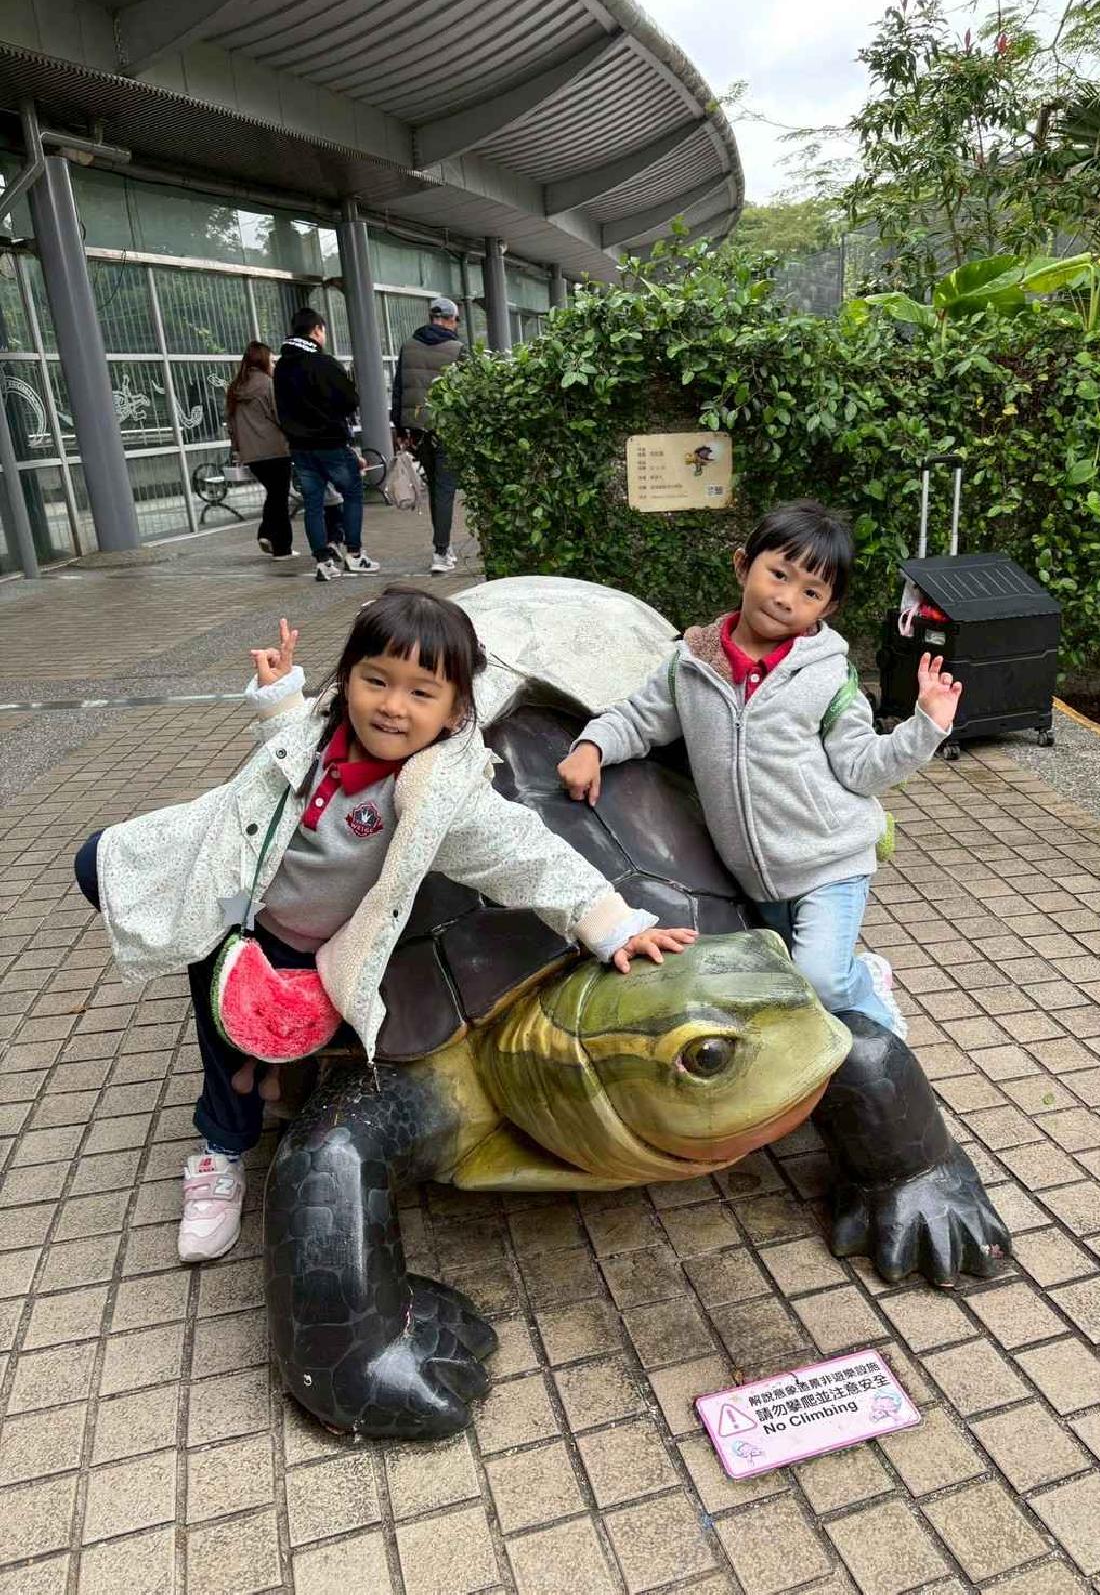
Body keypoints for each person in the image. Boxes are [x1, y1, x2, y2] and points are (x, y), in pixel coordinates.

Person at [73, 588, 695, 1263]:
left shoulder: (438, 796)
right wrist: (279, 697)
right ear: (347, 680)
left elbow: (527, 855)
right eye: (376, 681)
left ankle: (222, 1148)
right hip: (230, 896)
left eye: (420, 692)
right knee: (106, 871)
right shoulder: (320, 733)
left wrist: (613, 924)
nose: (393, 706)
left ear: (456, 710)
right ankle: (256, 1068)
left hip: (303, 941)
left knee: (246, 1035)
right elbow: (283, 753)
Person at [557, 500, 963, 1041]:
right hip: (754, 877)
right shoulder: (691, 665)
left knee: (820, 979)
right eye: (779, 574)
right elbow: (639, 718)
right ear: (743, 565)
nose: (787, 598)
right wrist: (593, 746)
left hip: (830, 862)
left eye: (811, 593)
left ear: (828, 607)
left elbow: (863, 767)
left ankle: (871, 995)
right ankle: (844, 984)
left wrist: (925, 727)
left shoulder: (828, 677)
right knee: (786, 976)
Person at [274, 306, 379, 583]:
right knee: (353, 491)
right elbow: (350, 400)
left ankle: (323, 561)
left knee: (313, 503)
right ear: (317, 330)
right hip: (330, 442)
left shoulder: (282, 366)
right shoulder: (323, 363)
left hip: (300, 446)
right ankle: (354, 553)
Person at [391, 296, 463, 575]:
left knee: (435, 487)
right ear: (449, 320)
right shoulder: (457, 349)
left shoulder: (408, 346)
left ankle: (443, 546)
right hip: (447, 430)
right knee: (444, 490)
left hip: (418, 431)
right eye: (456, 320)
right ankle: (441, 551)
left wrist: (400, 429)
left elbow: (399, 390)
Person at [224, 342, 294, 561]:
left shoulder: (235, 389)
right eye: (271, 360)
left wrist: (237, 450)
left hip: (251, 455)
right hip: (276, 450)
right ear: (263, 360)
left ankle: (268, 534)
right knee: (279, 497)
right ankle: (280, 547)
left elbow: (231, 426)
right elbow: (281, 416)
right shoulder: (268, 384)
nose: (273, 365)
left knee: (274, 494)